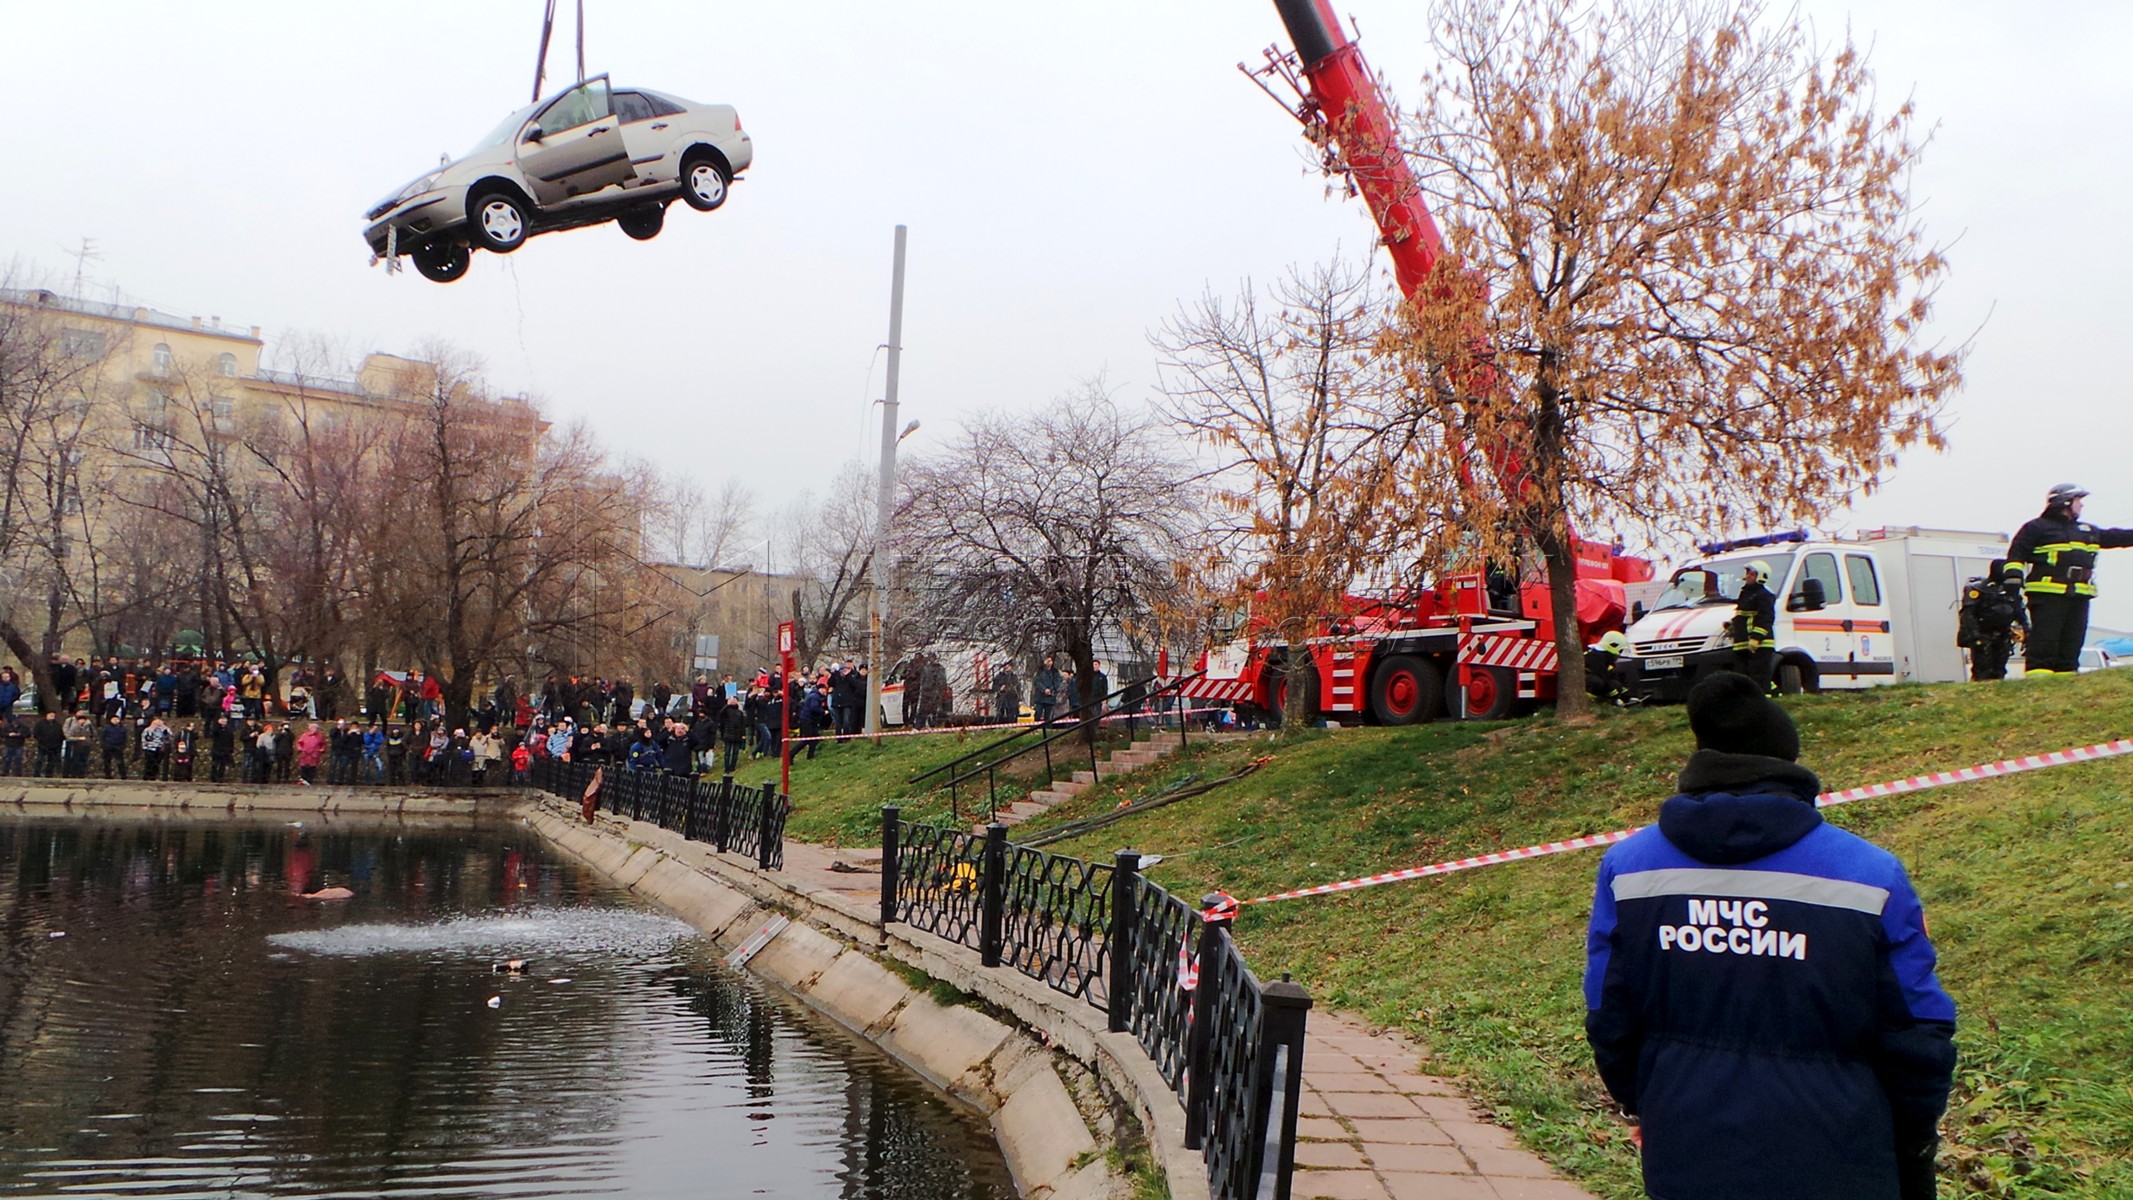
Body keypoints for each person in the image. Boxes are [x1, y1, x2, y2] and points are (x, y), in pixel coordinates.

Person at [1584, 673, 1955, 1200]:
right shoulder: (1870, 873)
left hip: (1686, 1141)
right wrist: (1914, 1135)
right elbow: (1917, 1027)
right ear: (1788, 762)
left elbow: (1609, 1012)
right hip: (1841, 1150)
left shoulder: (1629, 868)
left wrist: (1645, 1100)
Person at [2006, 483, 2133, 675]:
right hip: (2048, 594)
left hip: (2080, 594)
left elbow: (2116, 537)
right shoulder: (2036, 528)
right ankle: (2040, 685)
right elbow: (2016, 554)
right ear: (2064, 502)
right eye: (2078, 501)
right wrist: (2013, 578)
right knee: (2045, 642)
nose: (2081, 505)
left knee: (2072, 643)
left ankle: (2066, 680)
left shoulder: (2087, 530)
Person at [1957, 559, 2027, 681]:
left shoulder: (2010, 591)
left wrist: (2026, 630)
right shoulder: (1978, 589)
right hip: (1983, 635)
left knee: (1999, 669)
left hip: (2003, 635)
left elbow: (2019, 612)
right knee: (1982, 669)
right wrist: (1975, 635)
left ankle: (1997, 692)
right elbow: (1967, 614)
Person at [1728, 559, 1778, 693]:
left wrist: (1757, 638)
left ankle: (1766, 700)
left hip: (1760, 643)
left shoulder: (1764, 595)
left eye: (1752, 574)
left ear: (1761, 577)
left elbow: (1766, 618)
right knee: (1743, 674)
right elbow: (1743, 615)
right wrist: (1732, 626)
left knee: (1759, 674)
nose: (1748, 576)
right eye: (1748, 573)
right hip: (1743, 642)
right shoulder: (1745, 593)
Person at [1585, 630, 1634, 705]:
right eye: (1620, 650)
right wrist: (1614, 699)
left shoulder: (1606, 659)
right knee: (1597, 683)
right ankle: (1591, 702)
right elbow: (1604, 679)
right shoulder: (1595, 658)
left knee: (1615, 684)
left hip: (1596, 680)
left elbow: (1613, 678)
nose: (1619, 654)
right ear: (1613, 646)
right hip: (1584, 681)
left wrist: (1628, 696)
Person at [1031, 655, 1062, 725]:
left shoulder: (1055, 672)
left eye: (1050, 661)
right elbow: (1037, 681)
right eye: (1047, 661)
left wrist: (1050, 689)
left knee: (1048, 717)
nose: (1048, 662)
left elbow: (1057, 682)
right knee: (1038, 714)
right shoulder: (1039, 671)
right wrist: (1044, 689)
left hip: (1050, 697)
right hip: (1040, 697)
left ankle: (1047, 730)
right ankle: (1036, 729)